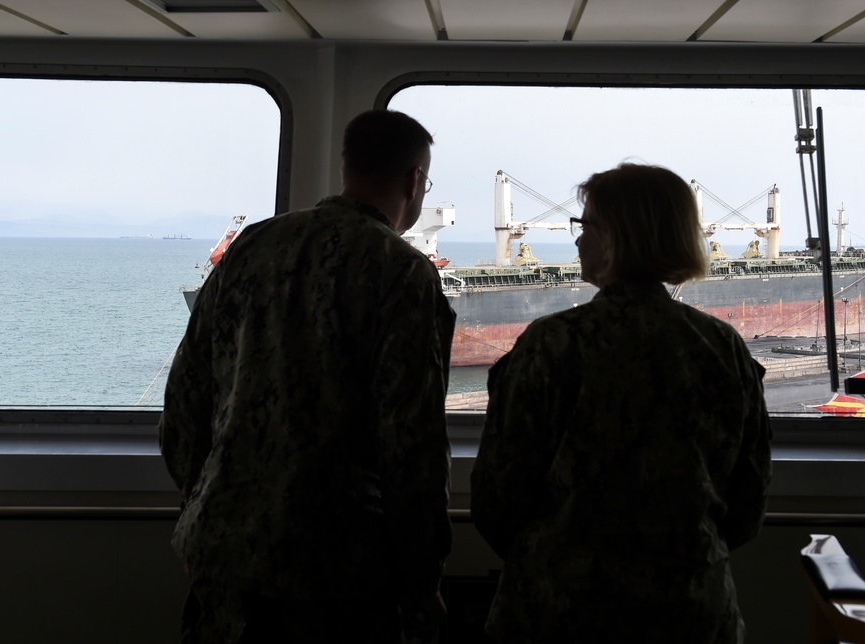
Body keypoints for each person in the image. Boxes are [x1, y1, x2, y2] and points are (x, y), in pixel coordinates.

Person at [160, 109, 456, 644]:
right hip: (339, 569)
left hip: (224, 548)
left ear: (348, 167)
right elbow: (413, 443)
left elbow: (184, 400)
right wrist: (421, 578)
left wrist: (201, 511)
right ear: (414, 181)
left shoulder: (251, 246)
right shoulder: (403, 271)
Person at [470, 162, 772, 643]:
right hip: (691, 612)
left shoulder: (550, 344)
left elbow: (496, 498)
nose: (576, 240)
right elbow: (748, 503)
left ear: (613, 239)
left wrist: (560, 560)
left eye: (584, 225)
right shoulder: (724, 347)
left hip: (558, 612)